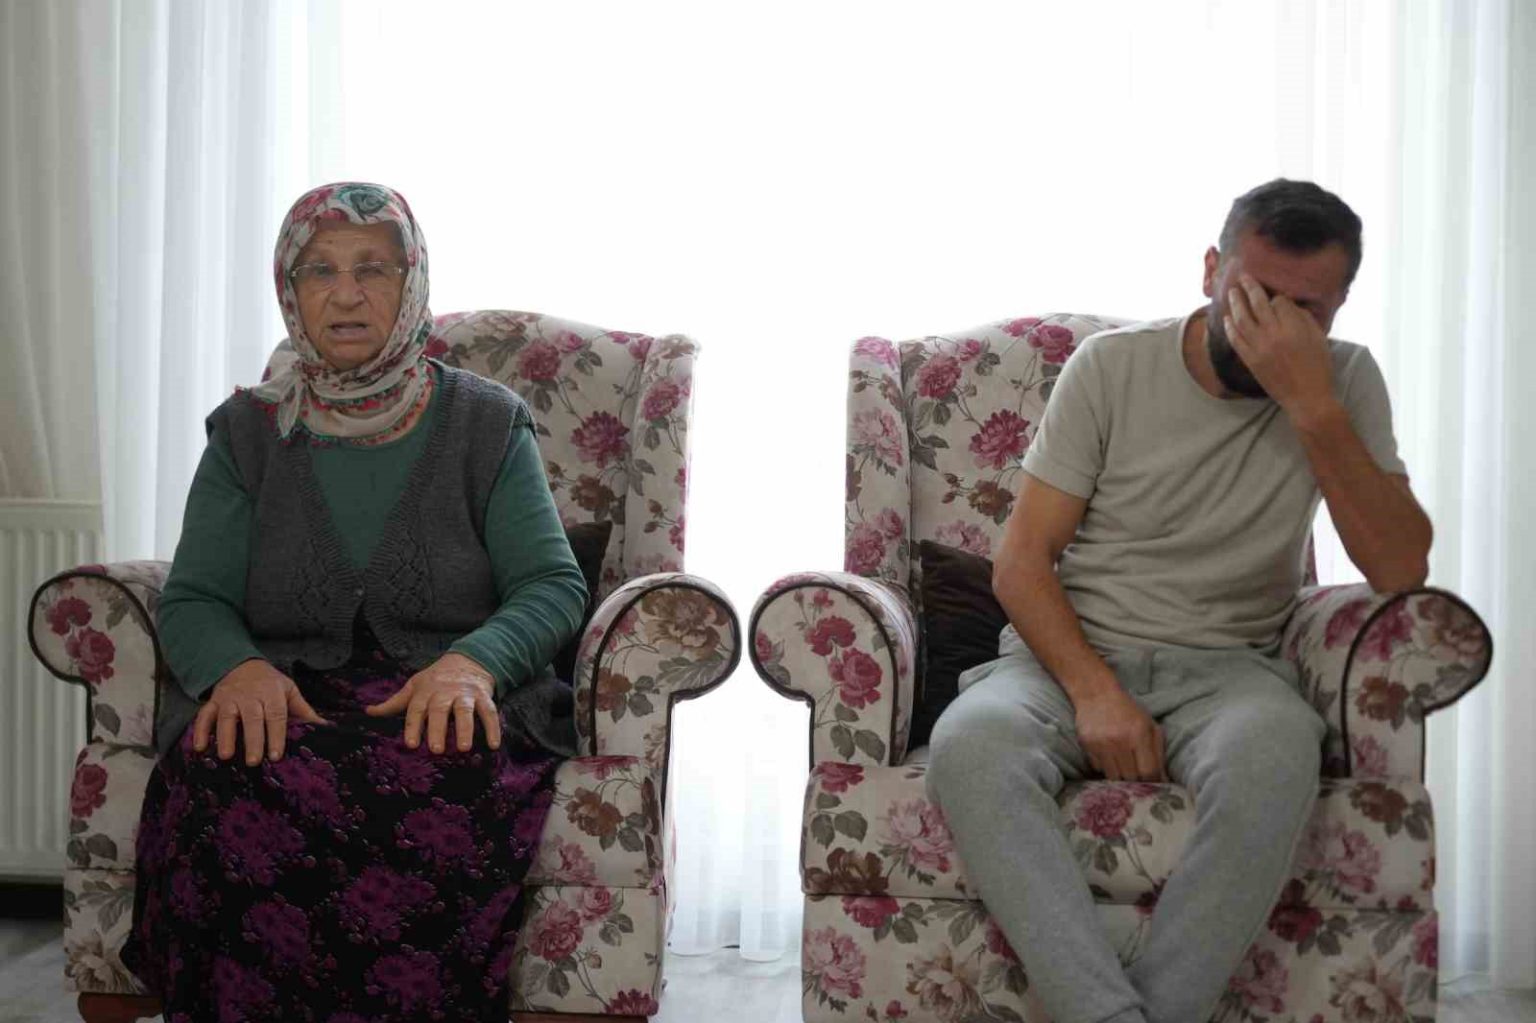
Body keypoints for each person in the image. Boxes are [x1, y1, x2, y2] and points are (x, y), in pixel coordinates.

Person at [925, 179, 1432, 1023]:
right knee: (970, 745)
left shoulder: (1344, 381)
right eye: (1254, 295)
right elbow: (1021, 563)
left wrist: (1312, 404)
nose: (1270, 325)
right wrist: (1095, 691)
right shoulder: (1112, 366)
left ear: (1340, 306)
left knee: (1277, 751)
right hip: (1068, 657)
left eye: (1304, 309)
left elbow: (1399, 566)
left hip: (1229, 669)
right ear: (1209, 270)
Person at [122, 182, 589, 1023]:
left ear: (411, 284)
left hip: (447, 698)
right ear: (288, 289)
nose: (345, 294)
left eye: (373, 268)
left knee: (429, 782)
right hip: (290, 692)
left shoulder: (487, 423)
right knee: (219, 773)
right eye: (320, 270)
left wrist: (474, 663)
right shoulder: (247, 433)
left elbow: (553, 585)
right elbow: (193, 597)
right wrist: (236, 669)